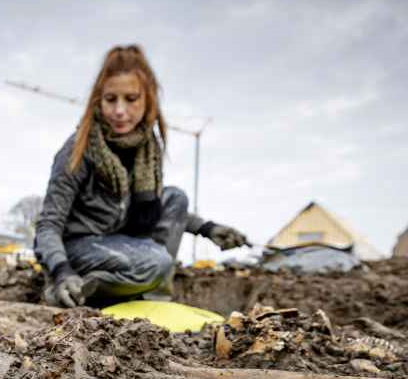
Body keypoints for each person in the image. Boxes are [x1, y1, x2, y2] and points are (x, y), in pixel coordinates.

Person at [33, 45, 248, 308]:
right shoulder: (78, 149)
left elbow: (157, 210)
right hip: (76, 248)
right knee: (155, 262)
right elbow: (48, 225)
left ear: (148, 100)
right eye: (111, 99)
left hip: (118, 240)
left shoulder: (147, 149)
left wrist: (209, 229)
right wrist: (62, 271)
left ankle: (151, 299)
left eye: (131, 99)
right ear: (99, 100)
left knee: (175, 197)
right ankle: (69, 290)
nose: (120, 111)